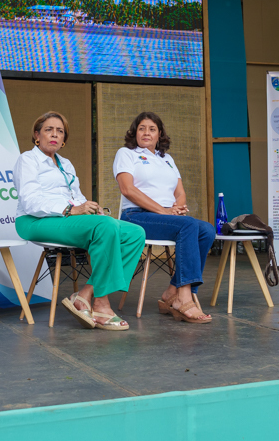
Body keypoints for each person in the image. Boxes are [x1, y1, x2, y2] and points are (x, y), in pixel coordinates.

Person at [13, 112, 145, 331]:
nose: (54, 135)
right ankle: (101, 304)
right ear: (37, 135)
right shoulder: (27, 159)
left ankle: (85, 294)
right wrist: (71, 209)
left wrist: (91, 209)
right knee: (106, 227)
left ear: (64, 139)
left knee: (135, 233)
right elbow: (30, 201)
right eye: (48, 130)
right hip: (34, 220)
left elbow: (76, 197)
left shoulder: (65, 163)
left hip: (66, 217)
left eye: (60, 131)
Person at [114, 112, 214, 323]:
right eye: (142, 128)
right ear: (135, 132)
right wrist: (164, 210)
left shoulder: (166, 159)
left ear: (160, 134)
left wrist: (176, 207)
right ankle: (183, 297)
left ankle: (171, 291)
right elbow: (127, 189)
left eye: (152, 129)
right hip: (136, 216)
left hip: (166, 216)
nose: (146, 133)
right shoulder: (126, 153)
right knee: (187, 226)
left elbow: (180, 192)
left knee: (207, 230)